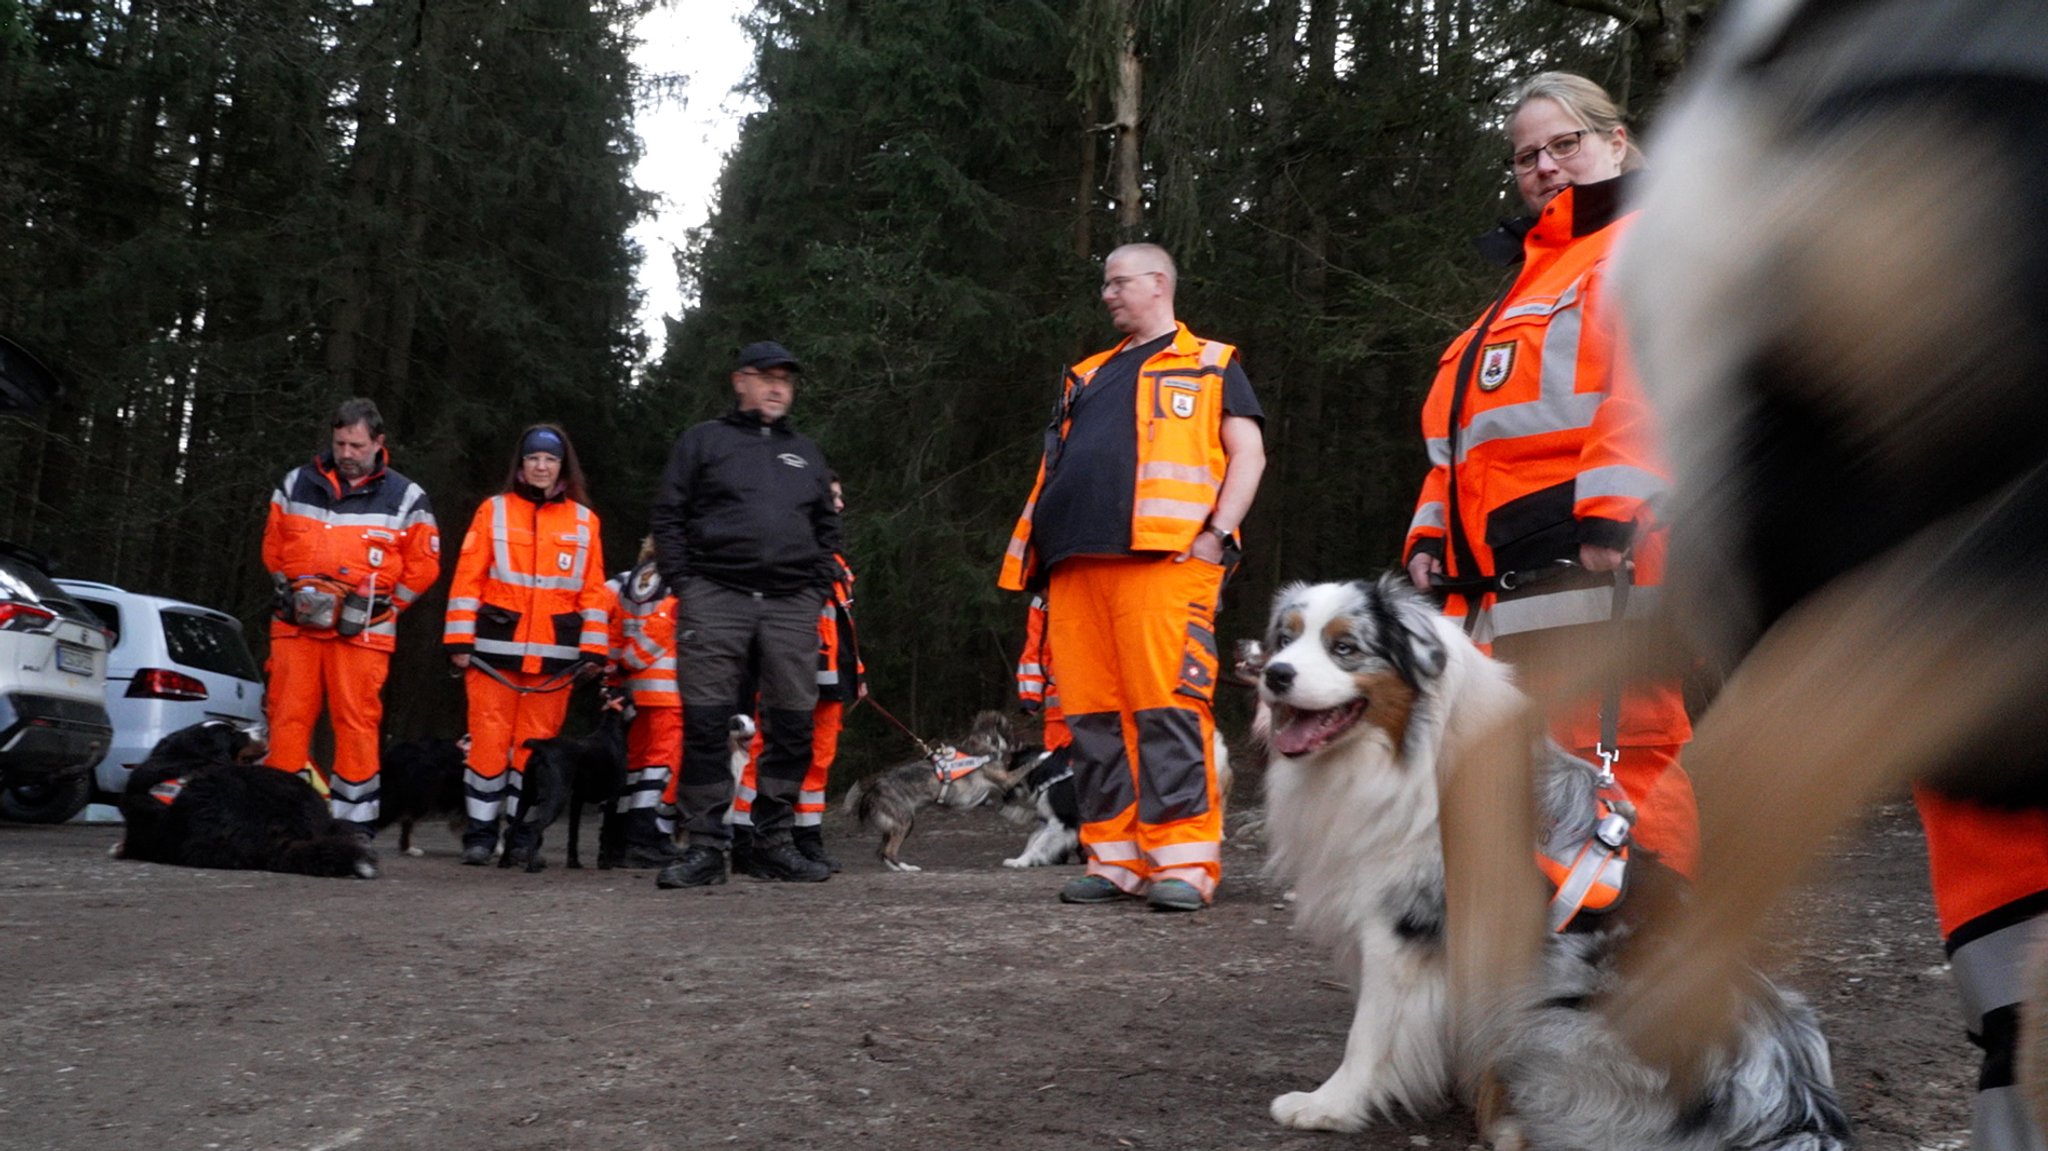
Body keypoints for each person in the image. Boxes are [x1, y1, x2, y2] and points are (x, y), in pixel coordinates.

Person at [1401, 72, 1697, 877]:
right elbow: (1462, 441)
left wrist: (1612, 511)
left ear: (1616, 141)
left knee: (1616, 757)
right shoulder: (1531, 276)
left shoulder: (1644, 243)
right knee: (1509, 774)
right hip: (1491, 581)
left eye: (1564, 143)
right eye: (1527, 154)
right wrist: (1429, 531)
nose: (1544, 165)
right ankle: (1547, 970)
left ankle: (1657, 964)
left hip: (1592, 556)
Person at [997, 242, 1266, 912]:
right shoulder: (1087, 374)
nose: (1107, 294)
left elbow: (1249, 452)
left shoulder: (1210, 361)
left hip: (1165, 565)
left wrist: (1216, 535)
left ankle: (1183, 861)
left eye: (1118, 283)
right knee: (1091, 722)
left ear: (1157, 282)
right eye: (1105, 284)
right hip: (1074, 570)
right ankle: (1113, 857)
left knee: (1168, 713)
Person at [649, 340, 841, 888]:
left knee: (794, 724)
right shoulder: (704, 441)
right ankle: (705, 847)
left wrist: (815, 585)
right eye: (767, 377)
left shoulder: (806, 452)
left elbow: (827, 525)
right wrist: (686, 582)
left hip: (789, 604)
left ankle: (771, 840)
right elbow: (669, 514)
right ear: (740, 381)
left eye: (787, 379)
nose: (778, 387)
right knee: (707, 723)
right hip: (716, 596)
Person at [261, 398, 441, 837]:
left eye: (357, 445)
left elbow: (425, 567)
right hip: (296, 626)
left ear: (379, 443)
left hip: (362, 632)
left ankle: (354, 824)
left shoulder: (406, 496)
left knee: (357, 722)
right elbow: (273, 546)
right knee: (286, 717)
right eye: (340, 443)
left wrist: (385, 608)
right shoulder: (295, 484)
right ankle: (278, 817)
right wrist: (289, 588)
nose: (347, 453)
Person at [442, 424, 610, 870]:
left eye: (550, 459)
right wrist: (459, 640)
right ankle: (479, 836)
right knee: (487, 746)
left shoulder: (584, 522)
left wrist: (594, 651)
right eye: (533, 458)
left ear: (562, 466)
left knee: (533, 754)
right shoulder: (492, 511)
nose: (541, 466)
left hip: (554, 661)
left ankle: (519, 836)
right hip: (494, 653)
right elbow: (468, 578)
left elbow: (594, 591)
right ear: (521, 464)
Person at [731, 475, 862, 874]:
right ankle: (746, 840)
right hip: (787, 672)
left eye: (840, 498)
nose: (838, 506)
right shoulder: (783, 551)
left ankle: (808, 839)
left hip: (829, 673)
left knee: (818, 759)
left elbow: (843, 626)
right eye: (831, 499)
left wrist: (855, 673)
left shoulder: (836, 562)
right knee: (765, 755)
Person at [601, 538, 683, 869]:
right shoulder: (681, 579)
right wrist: (632, 659)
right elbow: (665, 624)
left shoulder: (629, 579)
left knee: (634, 763)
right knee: (660, 763)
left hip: (635, 689)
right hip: (668, 688)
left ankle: (617, 839)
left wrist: (617, 669)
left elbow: (610, 623)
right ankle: (644, 835)